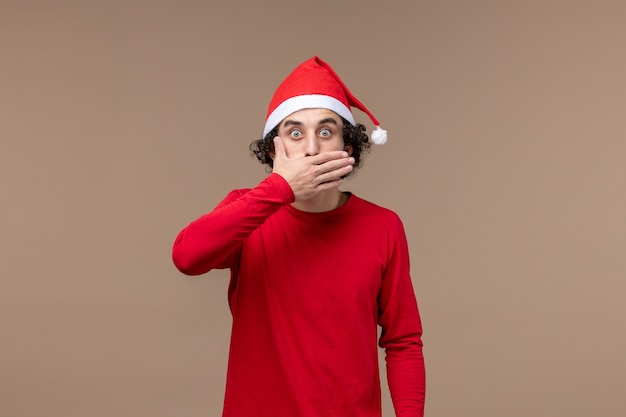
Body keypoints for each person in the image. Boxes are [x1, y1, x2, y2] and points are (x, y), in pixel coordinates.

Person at [172, 56, 425, 417]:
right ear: (275, 149)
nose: (310, 148)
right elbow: (186, 257)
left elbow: (403, 342)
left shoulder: (383, 226)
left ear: (347, 147)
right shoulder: (247, 210)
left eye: (325, 132)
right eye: (295, 133)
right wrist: (279, 189)